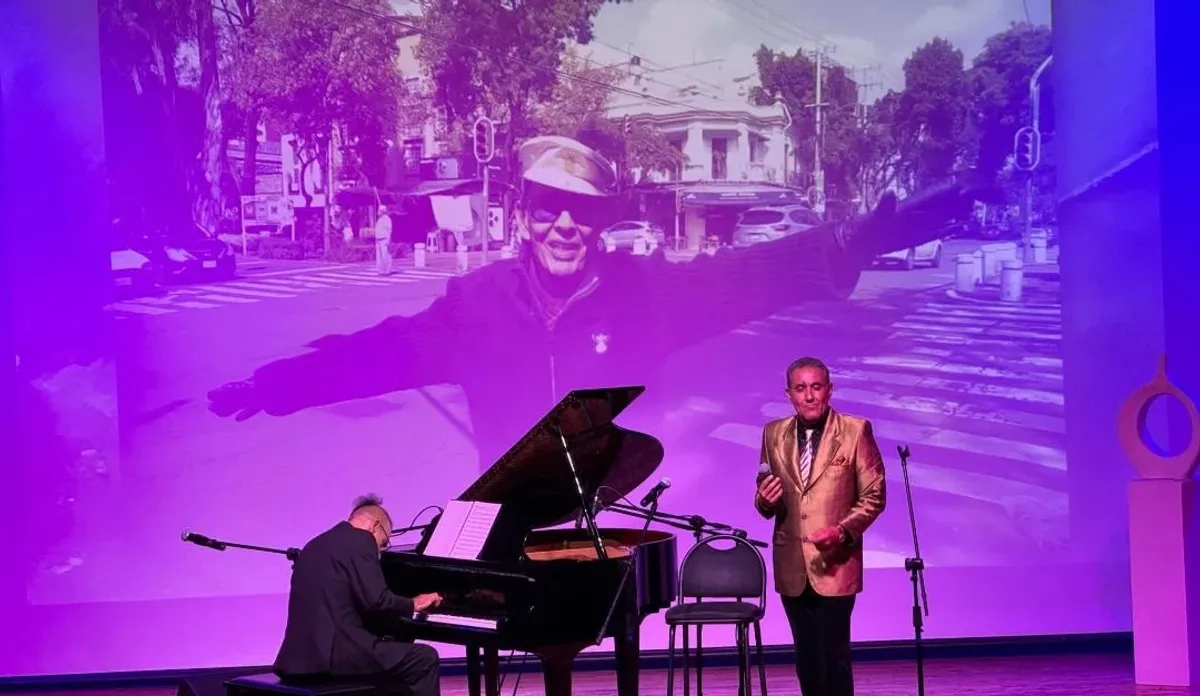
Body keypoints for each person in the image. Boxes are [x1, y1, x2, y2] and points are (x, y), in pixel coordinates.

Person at [207, 135, 994, 481]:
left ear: (598, 221)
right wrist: (275, 385)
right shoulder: (475, 304)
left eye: (579, 213)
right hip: (513, 513)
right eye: (548, 208)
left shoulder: (643, 291)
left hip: (617, 509)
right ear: (522, 215)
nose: (563, 226)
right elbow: (382, 351)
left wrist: (859, 239)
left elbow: (750, 274)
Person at [273, 494, 475, 696]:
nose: (381, 551)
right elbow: (376, 601)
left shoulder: (317, 544)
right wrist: (414, 603)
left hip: (300, 658)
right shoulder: (360, 541)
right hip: (334, 655)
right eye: (384, 543)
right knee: (425, 659)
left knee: (395, 655)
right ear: (375, 526)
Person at [754, 357, 885, 696]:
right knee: (806, 658)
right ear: (788, 393)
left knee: (834, 656)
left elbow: (874, 496)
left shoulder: (855, 431)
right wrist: (764, 500)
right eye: (800, 388)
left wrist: (843, 532)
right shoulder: (772, 433)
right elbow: (763, 500)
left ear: (830, 389)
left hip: (835, 561)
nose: (809, 395)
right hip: (792, 560)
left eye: (816, 386)